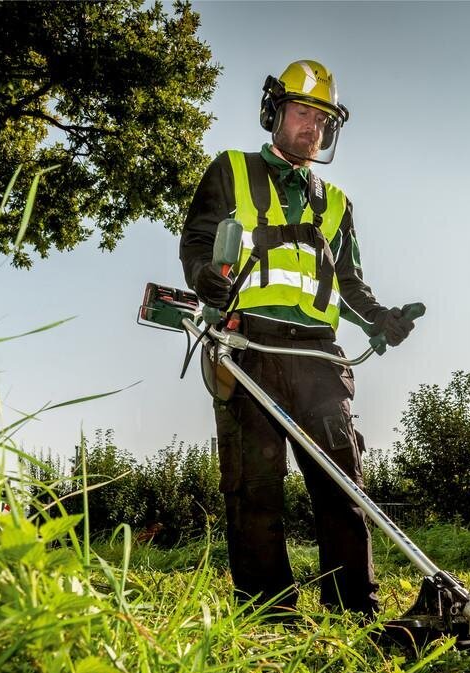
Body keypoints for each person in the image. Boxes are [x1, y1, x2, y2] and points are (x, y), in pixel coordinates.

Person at [179, 59, 418, 619]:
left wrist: (381, 319)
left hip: (316, 354)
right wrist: (202, 277)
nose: (312, 126)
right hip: (247, 347)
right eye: (302, 112)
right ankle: (269, 616)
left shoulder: (336, 203)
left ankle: (353, 610)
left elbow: (349, 281)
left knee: (342, 483)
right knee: (254, 489)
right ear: (275, 112)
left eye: (322, 118)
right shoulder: (229, 170)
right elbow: (195, 242)